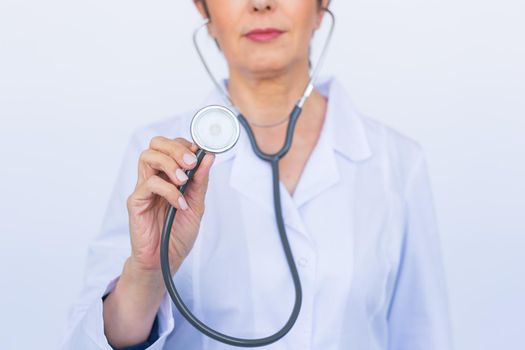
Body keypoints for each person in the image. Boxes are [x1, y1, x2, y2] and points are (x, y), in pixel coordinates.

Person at [61, 0, 454, 349]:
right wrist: (147, 272)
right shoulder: (155, 157)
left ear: (321, 6)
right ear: (204, 11)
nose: (261, 4)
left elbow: (423, 337)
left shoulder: (396, 162)